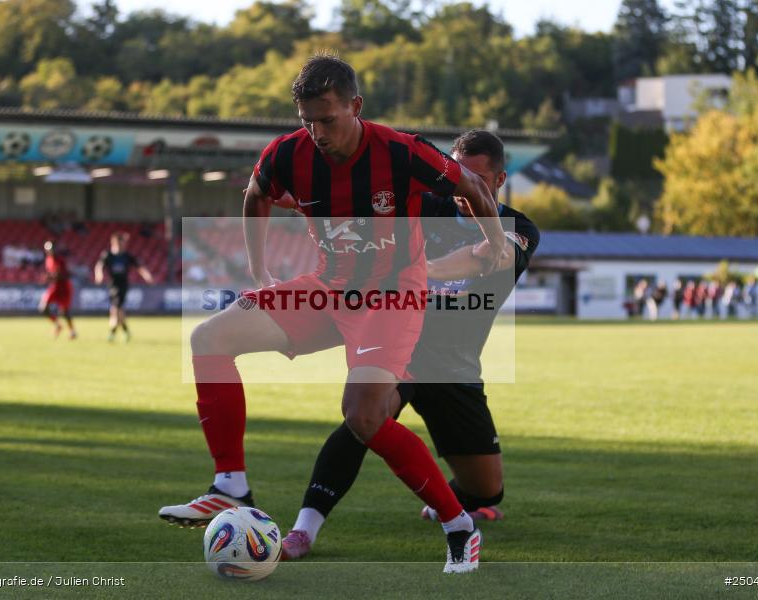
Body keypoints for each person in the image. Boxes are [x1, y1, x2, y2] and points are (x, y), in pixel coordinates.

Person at [158, 55, 508, 573]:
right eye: (307, 120)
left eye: (327, 118)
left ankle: (460, 527)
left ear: (355, 106)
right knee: (209, 339)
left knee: (364, 416)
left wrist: (495, 243)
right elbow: (255, 195)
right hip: (330, 289)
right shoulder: (286, 154)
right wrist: (259, 273)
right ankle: (230, 485)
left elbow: (473, 188)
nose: (317, 132)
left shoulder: (401, 150)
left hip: (391, 295)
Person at [277, 130, 539, 561]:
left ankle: (447, 504)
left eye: (476, 177)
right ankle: (303, 530)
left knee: (488, 488)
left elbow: (483, 257)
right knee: (363, 418)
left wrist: (418, 268)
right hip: (401, 341)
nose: (463, 186)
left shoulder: (518, 228)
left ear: (498, 181)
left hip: (456, 366)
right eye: (458, 173)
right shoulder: (425, 206)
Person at [94, 232, 154, 342]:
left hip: (123, 286)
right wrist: (99, 275)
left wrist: (147, 276)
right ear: (115, 242)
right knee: (117, 309)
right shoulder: (108, 255)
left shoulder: (127, 256)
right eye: (121, 242)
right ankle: (125, 331)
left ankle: (113, 333)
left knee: (116, 309)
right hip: (112, 285)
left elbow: (139, 266)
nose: (123, 245)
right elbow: (99, 265)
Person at [39, 240, 76, 339]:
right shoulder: (48, 260)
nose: (50, 251)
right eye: (48, 249)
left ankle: (72, 331)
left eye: (51, 249)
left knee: (64, 311)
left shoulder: (60, 260)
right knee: (43, 308)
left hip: (64, 287)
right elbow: (51, 274)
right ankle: (57, 325)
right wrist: (49, 278)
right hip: (55, 287)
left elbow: (66, 274)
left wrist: (52, 277)